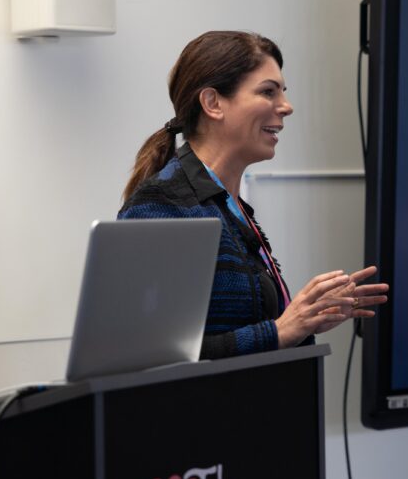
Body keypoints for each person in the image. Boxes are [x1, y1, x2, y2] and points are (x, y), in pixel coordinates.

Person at [119, 30, 386, 358]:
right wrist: (281, 330)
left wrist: (305, 319)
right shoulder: (162, 206)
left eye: (283, 92)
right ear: (213, 103)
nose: (286, 107)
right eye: (268, 92)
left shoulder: (231, 207)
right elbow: (148, 355)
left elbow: (250, 331)